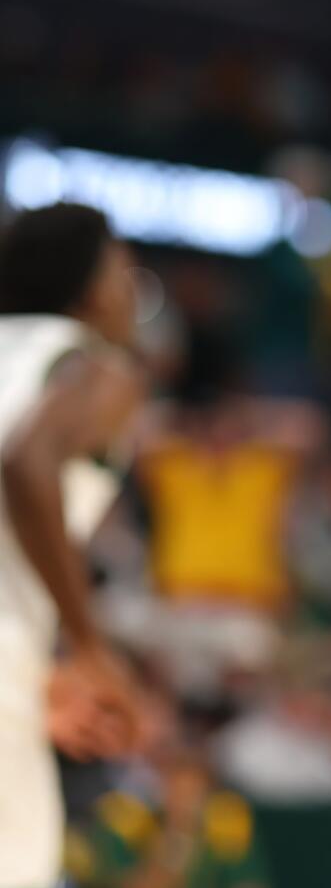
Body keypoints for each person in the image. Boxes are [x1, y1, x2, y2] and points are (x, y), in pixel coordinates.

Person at [0, 202, 149, 888]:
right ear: (91, 288)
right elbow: (27, 462)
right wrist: (88, 645)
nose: (133, 290)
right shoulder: (95, 367)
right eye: (122, 270)